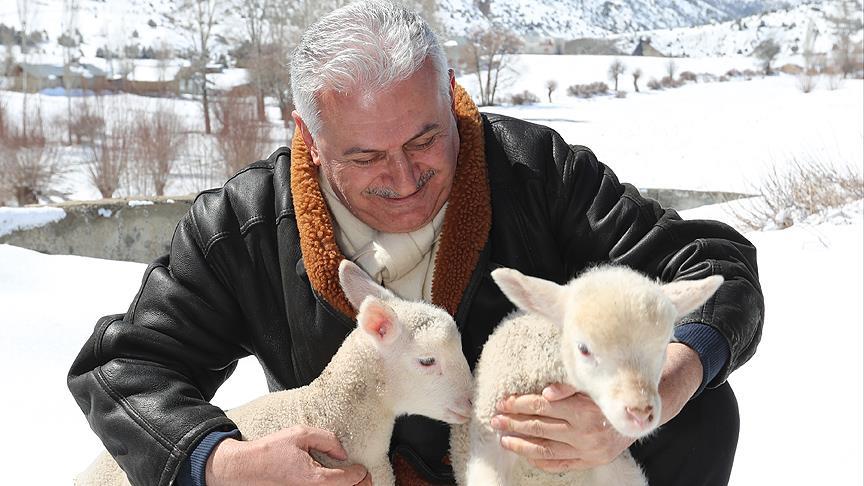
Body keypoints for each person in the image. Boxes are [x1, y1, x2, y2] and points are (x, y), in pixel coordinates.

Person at [68, 2, 763, 485]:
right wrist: (219, 464)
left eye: (427, 138)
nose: (403, 178)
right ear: (308, 139)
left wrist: (654, 395)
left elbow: (717, 269)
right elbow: (125, 366)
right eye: (366, 156)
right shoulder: (242, 223)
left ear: (452, 93)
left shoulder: (536, 169)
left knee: (702, 415)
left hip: (530, 471)